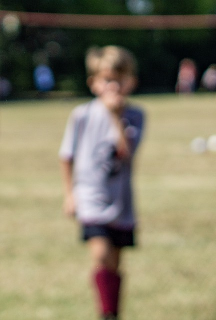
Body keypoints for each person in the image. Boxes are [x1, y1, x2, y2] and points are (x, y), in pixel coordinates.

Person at [59, 46, 145, 320]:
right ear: (94, 83)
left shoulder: (136, 116)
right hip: (90, 195)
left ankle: (111, 311)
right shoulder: (81, 115)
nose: (113, 86)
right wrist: (69, 194)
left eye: (120, 80)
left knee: (115, 263)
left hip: (120, 199)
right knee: (101, 254)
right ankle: (106, 314)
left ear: (131, 81)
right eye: (107, 80)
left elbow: (126, 152)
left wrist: (115, 116)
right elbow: (66, 156)